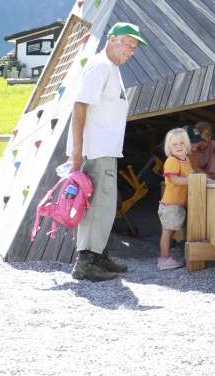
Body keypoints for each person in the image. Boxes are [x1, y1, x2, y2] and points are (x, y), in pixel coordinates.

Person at [68, 22, 146, 281]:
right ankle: (86, 263)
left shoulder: (111, 69)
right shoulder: (100, 66)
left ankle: (98, 255)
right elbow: (79, 107)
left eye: (134, 48)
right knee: (95, 207)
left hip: (107, 150)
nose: (132, 52)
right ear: (112, 39)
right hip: (95, 150)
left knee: (104, 206)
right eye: (129, 45)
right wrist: (77, 154)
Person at [157, 127, 193, 271]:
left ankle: (166, 257)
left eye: (181, 143)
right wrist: (192, 180)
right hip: (171, 204)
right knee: (167, 231)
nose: (178, 146)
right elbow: (174, 180)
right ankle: (164, 258)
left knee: (171, 231)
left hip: (178, 204)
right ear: (169, 148)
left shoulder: (186, 160)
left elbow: (189, 175)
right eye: (175, 144)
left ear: (187, 145)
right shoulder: (172, 161)